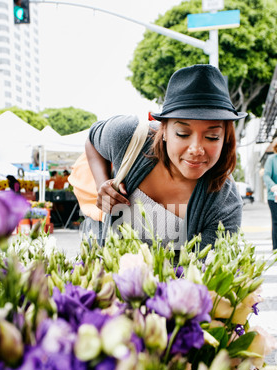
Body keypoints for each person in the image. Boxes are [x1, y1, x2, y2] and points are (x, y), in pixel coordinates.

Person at [85, 64, 247, 255]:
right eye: (182, 134)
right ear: (164, 131)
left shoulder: (225, 203)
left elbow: (204, 276)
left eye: (212, 137)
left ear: (225, 139)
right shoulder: (128, 137)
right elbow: (92, 139)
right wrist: (102, 184)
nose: (196, 149)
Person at [263, 137, 277, 250]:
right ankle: (276, 248)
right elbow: (266, 175)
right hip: (274, 196)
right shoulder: (272, 159)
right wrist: (273, 186)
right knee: (276, 222)